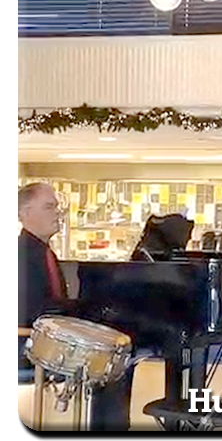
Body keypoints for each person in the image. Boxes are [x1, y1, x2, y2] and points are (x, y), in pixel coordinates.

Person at [18, 183, 134, 430]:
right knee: (111, 366)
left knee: (114, 358)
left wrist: (87, 311)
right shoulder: (21, 255)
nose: (57, 213)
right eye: (49, 207)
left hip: (40, 338)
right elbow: (37, 313)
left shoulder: (39, 251)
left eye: (57, 207)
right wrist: (88, 310)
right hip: (25, 346)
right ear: (25, 213)